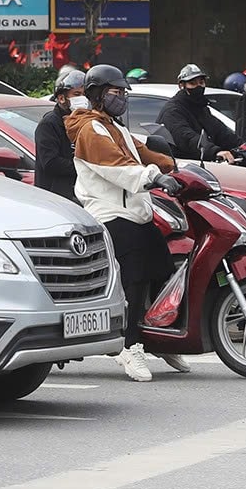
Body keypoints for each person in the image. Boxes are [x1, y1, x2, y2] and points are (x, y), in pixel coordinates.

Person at [65, 64, 184, 380]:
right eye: (115, 93)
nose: (122, 98)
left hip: (135, 211)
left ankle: (157, 338)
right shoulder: (91, 130)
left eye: (123, 93)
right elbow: (117, 167)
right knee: (134, 282)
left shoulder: (112, 126)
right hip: (112, 214)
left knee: (164, 272)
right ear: (97, 95)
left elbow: (142, 152)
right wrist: (154, 178)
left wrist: (176, 168)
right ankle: (129, 348)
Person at [157, 63, 236, 162]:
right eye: (193, 83)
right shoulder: (173, 111)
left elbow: (221, 132)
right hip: (182, 166)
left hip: (204, 163)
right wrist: (214, 152)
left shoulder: (202, 108)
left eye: (201, 82)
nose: (198, 87)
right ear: (182, 86)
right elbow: (187, 138)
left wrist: (243, 147)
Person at [34, 67, 84, 202]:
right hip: (57, 199)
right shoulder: (49, 124)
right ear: (61, 98)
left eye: (85, 94)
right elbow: (51, 163)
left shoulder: (85, 122)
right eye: (77, 94)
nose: (83, 99)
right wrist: (85, 168)